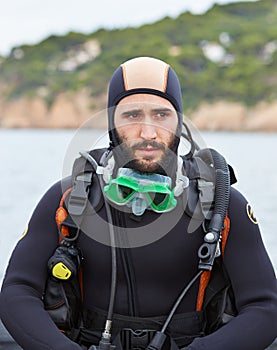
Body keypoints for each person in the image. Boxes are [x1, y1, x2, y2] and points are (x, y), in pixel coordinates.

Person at [0, 56, 277, 350]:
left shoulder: (220, 205)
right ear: (111, 124)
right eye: (132, 116)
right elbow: (18, 291)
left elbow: (265, 307)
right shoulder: (69, 200)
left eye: (161, 115)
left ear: (179, 123)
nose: (148, 133)